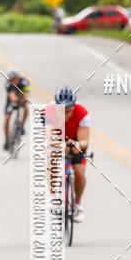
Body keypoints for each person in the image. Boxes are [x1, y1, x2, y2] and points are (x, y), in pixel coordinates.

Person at [45, 86, 90, 223]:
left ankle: (77, 205)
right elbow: (50, 136)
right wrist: (59, 145)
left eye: (69, 111)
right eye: (62, 111)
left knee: (79, 172)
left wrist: (78, 145)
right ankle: (54, 197)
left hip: (75, 139)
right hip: (57, 138)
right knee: (51, 160)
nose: (65, 115)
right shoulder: (47, 111)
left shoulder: (82, 112)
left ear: (73, 107)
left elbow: (85, 140)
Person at [3, 67, 30, 150]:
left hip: (21, 97)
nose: (13, 80)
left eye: (14, 78)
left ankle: (21, 125)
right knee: (7, 117)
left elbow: (27, 92)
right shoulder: (8, 84)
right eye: (11, 79)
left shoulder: (24, 82)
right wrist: (17, 100)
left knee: (26, 109)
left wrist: (24, 99)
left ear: (17, 77)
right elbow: (11, 96)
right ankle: (7, 139)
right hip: (11, 100)